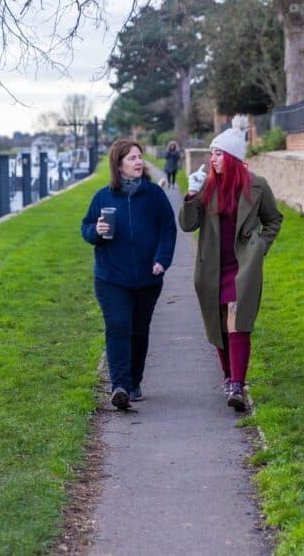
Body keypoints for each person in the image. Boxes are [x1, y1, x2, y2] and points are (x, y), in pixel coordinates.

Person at [178, 124, 283, 412]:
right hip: (212, 267)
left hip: (242, 267)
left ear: (233, 158)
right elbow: (188, 225)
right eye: (211, 153)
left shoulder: (257, 185)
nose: (212, 159)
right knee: (218, 325)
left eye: (218, 154)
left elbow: (274, 219)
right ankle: (228, 377)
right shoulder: (207, 186)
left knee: (237, 324)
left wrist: (260, 247)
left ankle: (237, 384)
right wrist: (191, 193)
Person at [81, 139, 177, 410]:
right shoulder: (103, 197)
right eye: (132, 158)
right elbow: (86, 228)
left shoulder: (154, 196)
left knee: (138, 330)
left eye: (140, 157)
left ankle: (134, 381)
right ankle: (119, 386)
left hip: (148, 277)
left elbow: (168, 230)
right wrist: (96, 232)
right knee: (118, 327)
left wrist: (162, 259)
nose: (138, 162)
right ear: (118, 164)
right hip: (111, 277)